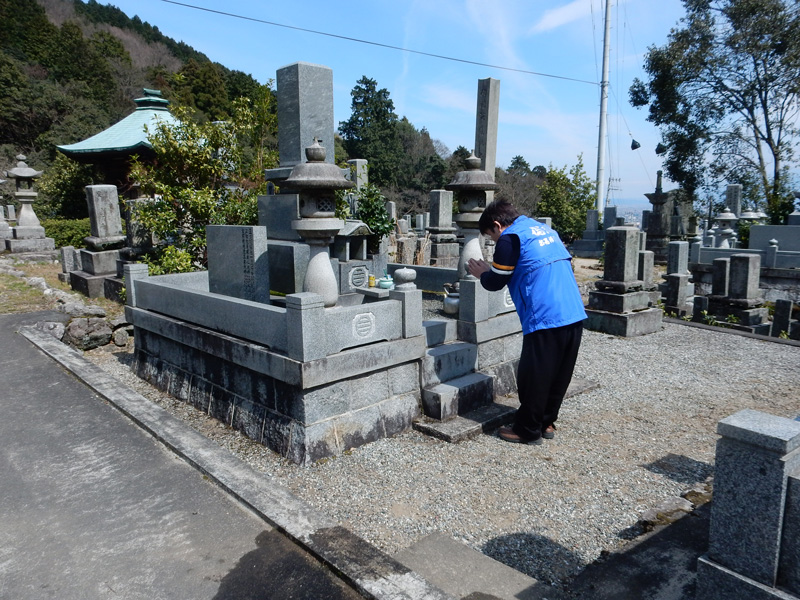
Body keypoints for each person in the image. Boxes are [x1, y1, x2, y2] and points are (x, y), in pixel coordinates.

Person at [466, 200, 586, 445]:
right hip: (573, 310)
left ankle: (527, 430)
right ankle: (546, 422)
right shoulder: (543, 230)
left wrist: (482, 273)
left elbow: (495, 282)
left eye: (491, 237)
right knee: (559, 373)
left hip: (545, 315)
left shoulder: (510, 238)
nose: (495, 242)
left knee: (535, 375)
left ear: (498, 225)